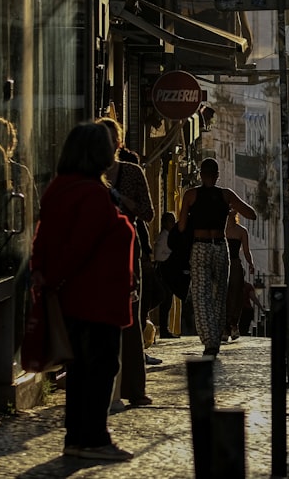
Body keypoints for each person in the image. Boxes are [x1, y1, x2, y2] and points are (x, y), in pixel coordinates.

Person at [29, 122, 135, 462]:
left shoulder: (60, 188)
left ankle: (77, 437)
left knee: (80, 372)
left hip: (76, 298)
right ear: (97, 153)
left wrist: (48, 280)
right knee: (99, 369)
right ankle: (92, 438)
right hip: (94, 298)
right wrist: (55, 279)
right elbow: (80, 246)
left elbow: (48, 240)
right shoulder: (90, 194)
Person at [97, 117, 156, 408]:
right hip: (96, 251)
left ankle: (134, 388)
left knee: (130, 318)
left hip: (127, 249)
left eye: (109, 140)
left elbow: (148, 213)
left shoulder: (132, 173)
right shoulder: (90, 174)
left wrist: (124, 202)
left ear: (119, 144)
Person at [177, 157, 257, 357]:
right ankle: (217, 336)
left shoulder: (190, 195)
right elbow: (251, 214)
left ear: (200, 175)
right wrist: (231, 208)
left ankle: (210, 341)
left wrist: (191, 217)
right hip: (221, 248)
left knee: (201, 297)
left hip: (200, 248)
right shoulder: (226, 195)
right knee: (220, 296)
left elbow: (181, 227)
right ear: (218, 175)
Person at [224, 208, 255, 341]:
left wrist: (251, 264)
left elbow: (247, 251)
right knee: (223, 294)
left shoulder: (242, 231)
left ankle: (234, 324)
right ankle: (225, 327)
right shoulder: (221, 229)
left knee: (236, 294)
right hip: (223, 262)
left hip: (235, 264)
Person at [153, 211, 180, 339]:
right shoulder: (164, 236)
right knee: (165, 300)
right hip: (163, 272)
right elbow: (158, 255)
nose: (173, 223)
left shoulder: (170, 236)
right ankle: (164, 329)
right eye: (171, 221)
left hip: (169, 271)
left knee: (168, 301)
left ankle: (166, 329)